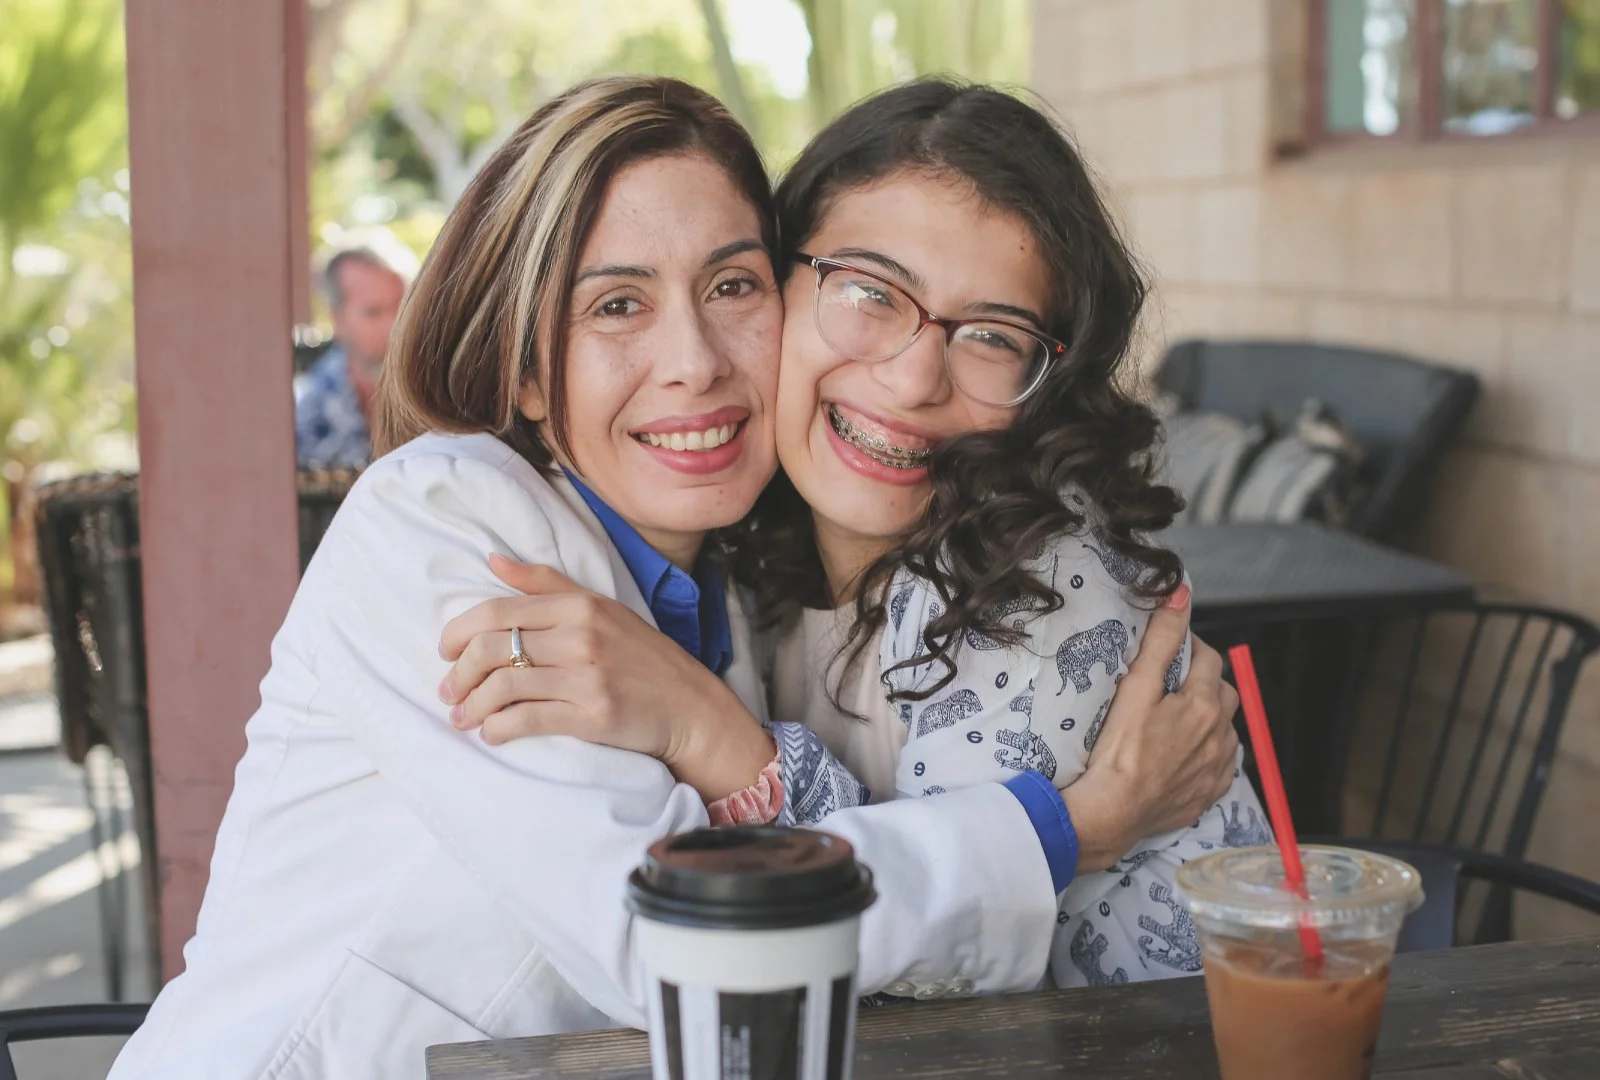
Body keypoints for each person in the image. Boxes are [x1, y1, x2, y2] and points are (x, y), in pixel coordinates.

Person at [108, 77, 1236, 1080]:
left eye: (732, 286)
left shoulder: (739, 599)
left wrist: (709, 720)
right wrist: (1068, 828)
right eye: (616, 305)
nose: (692, 359)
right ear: (528, 369)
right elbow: (669, 937)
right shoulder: (448, 526)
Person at [438, 80, 1266, 990]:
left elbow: (913, 965)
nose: (913, 380)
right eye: (872, 292)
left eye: (992, 335)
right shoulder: (746, 566)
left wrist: (717, 738)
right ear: (774, 291)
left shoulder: (1033, 585)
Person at [294, 247, 406, 467]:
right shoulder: (310, 413)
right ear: (338, 320)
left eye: (402, 308)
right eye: (374, 312)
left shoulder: (447, 395)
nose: (393, 326)